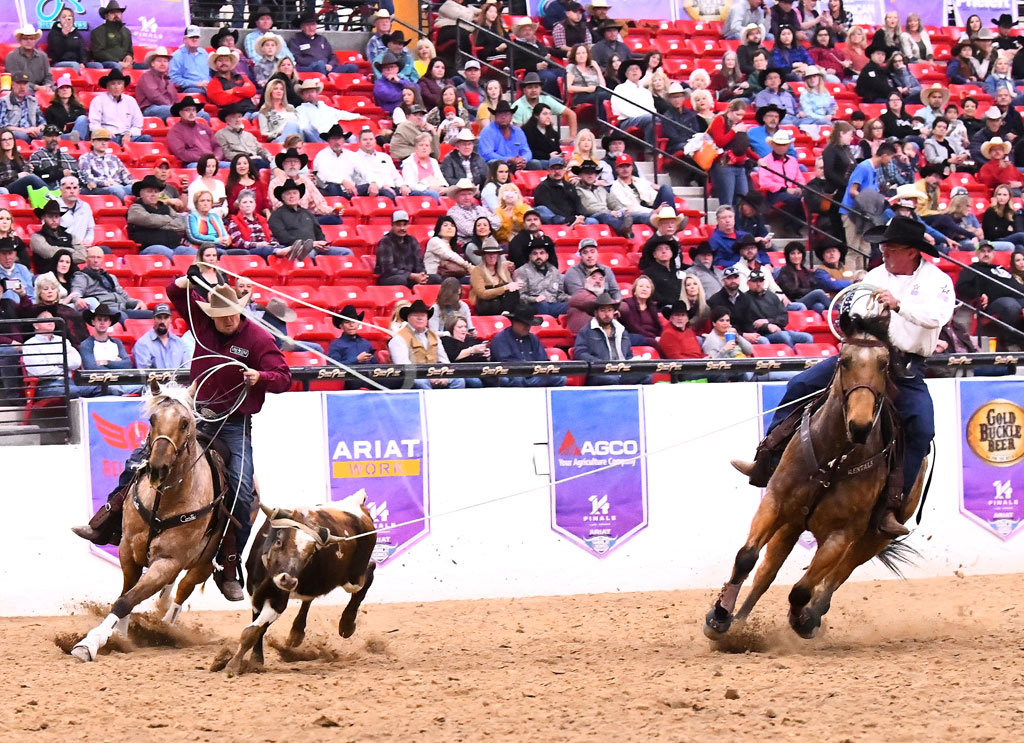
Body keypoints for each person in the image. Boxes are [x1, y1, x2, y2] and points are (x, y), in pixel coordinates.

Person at [733, 216, 954, 538]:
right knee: (801, 384)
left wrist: (900, 305)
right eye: (884, 248)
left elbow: (938, 316)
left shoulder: (937, 281)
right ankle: (768, 458)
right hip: (865, 354)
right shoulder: (876, 275)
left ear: (911, 251)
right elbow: (857, 315)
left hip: (905, 363)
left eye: (890, 248)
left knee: (921, 427)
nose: (885, 253)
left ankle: (892, 505)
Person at [955, 241, 1024, 349]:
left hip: (1019, 297)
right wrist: (979, 294)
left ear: (993, 254)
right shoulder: (972, 268)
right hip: (995, 302)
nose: (986, 254)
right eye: (983, 251)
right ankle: (1011, 343)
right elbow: (961, 287)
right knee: (1011, 306)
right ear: (977, 254)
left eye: (989, 251)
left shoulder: (999, 268)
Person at [573, 292, 652, 385]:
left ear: (614, 312)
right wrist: (600, 364)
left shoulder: (621, 330)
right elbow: (579, 353)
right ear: (595, 313)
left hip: (622, 372)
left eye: (610, 310)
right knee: (611, 379)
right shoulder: (586, 331)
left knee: (646, 375)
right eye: (603, 310)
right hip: (599, 372)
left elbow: (628, 355)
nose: (607, 314)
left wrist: (633, 362)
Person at [386, 299, 467, 389]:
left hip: (435, 374)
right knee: (421, 383)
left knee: (459, 380)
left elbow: (444, 361)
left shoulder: (434, 337)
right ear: (408, 318)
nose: (420, 318)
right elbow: (404, 366)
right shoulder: (399, 338)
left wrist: (443, 375)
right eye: (416, 315)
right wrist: (428, 376)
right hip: (412, 377)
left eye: (423, 315)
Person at [841, 141, 897, 265]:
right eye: (891, 158)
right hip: (852, 211)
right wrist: (868, 201)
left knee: (865, 249)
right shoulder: (864, 167)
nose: (890, 161)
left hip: (865, 214)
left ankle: (862, 278)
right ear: (884, 155)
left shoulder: (874, 170)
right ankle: (851, 280)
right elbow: (853, 190)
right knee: (854, 249)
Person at [22, 308, 98, 398]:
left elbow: (76, 362)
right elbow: (39, 371)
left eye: (52, 318)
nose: (50, 321)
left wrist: (51, 361)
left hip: (69, 382)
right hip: (46, 385)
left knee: (104, 388)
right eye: (45, 318)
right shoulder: (30, 344)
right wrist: (64, 363)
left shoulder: (63, 341)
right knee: (73, 391)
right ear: (36, 325)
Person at [488, 303, 567, 387]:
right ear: (514, 322)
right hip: (511, 374)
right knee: (514, 379)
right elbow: (506, 364)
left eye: (529, 324)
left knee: (560, 378)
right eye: (524, 324)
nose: (528, 327)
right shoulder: (500, 339)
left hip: (534, 374)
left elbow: (543, 360)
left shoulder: (533, 338)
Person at [267, 148, 344, 226]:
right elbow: (278, 206)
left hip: (306, 217)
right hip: (287, 220)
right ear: (283, 165)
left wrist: (332, 211)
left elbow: (318, 203)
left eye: (296, 161)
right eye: (289, 161)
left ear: (300, 166)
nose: (292, 164)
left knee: (335, 219)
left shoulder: (306, 181)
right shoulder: (275, 183)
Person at [72, 246, 150, 318]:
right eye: (92, 257)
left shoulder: (111, 277)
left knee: (152, 315)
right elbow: (76, 292)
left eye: (99, 257)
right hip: (104, 309)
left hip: (122, 307)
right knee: (121, 316)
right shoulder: (81, 276)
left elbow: (124, 296)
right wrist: (77, 299)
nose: (96, 260)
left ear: (103, 260)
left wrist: (138, 302)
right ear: (87, 259)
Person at [267, 179, 337, 258]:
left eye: (295, 193)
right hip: (294, 250)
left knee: (345, 252)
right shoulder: (276, 216)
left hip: (317, 247)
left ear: (299, 196)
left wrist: (323, 243)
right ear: (282, 197)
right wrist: (310, 244)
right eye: (288, 194)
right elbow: (284, 238)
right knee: (309, 254)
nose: (292, 196)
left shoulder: (307, 213)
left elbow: (318, 232)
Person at [126, 175, 193, 257]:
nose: (153, 194)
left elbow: (180, 224)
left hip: (174, 246)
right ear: (141, 194)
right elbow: (149, 220)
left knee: (192, 253)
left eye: (156, 191)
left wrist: (158, 224)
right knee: (167, 253)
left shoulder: (165, 207)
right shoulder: (135, 208)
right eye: (149, 191)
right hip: (150, 248)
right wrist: (169, 219)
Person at [756, 129, 805, 234]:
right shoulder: (766, 161)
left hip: (792, 191)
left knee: (804, 197)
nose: (781, 147)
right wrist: (786, 189)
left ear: (788, 146)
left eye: (784, 145)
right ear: (773, 145)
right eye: (779, 144)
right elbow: (765, 183)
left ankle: (795, 226)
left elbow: (799, 178)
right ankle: (791, 227)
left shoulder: (792, 161)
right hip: (774, 194)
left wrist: (799, 188)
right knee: (793, 199)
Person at [610, 154, 677, 225]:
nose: (625, 169)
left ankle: (672, 219)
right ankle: (671, 221)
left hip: (653, 207)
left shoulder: (640, 181)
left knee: (665, 188)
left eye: (627, 166)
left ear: (632, 167)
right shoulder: (615, 187)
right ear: (616, 169)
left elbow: (653, 197)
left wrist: (661, 208)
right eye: (621, 167)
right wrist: (653, 211)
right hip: (637, 213)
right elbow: (631, 208)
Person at [79, 303, 133, 391]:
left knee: (145, 387)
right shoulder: (86, 344)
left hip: (121, 382)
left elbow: (127, 364)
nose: (102, 322)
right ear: (93, 322)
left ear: (110, 323)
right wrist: (116, 364)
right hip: (98, 385)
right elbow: (92, 368)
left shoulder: (117, 342)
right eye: (99, 319)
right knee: (113, 389)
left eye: (105, 320)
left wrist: (105, 362)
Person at [88, 68, 148, 145]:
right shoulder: (98, 101)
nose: (116, 87)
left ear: (123, 86)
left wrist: (129, 134)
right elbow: (94, 124)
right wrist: (104, 133)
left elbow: (138, 124)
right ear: (108, 86)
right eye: (113, 84)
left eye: (119, 83)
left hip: (127, 136)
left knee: (146, 138)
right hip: (108, 137)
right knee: (104, 142)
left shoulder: (131, 101)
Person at [775, 242, 838, 312]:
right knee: (818, 293)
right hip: (794, 301)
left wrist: (823, 293)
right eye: (793, 253)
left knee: (819, 306)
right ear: (788, 256)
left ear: (802, 255)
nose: (796, 256)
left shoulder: (806, 271)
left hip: (807, 299)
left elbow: (815, 285)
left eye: (799, 253)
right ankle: (836, 313)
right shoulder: (785, 271)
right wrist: (813, 292)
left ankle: (827, 321)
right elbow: (792, 291)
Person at [351, 127, 408, 202]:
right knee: (388, 195)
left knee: (417, 195)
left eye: (371, 139)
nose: (368, 142)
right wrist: (383, 186)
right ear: (359, 142)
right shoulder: (354, 158)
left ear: (375, 141)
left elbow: (396, 176)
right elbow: (364, 176)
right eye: (365, 140)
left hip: (393, 188)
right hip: (373, 190)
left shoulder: (385, 157)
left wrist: (402, 185)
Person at [227, 189, 286, 258]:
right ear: (239, 206)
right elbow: (238, 243)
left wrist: (273, 243)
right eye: (244, 202)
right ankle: (281, 251)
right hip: (249, 251)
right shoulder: (233, 221)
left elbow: (271, 237)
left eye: (251, 202)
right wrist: (258, 245)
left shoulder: (262, 220)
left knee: (281, 246)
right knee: (266, 249)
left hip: (267, 247)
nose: (248, 205)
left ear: (255, 205)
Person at [167, 98, 224, 169]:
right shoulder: (175, 131)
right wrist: (202, 160)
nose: (191, 113)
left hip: (212, 161)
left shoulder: (204, 127)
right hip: (194, 162)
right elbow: (181, 153)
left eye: (194, 110)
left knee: (232, 166)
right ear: (180, 113)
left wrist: (217, 157)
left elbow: (217, 146)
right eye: (187, 110)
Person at [514, 242, 569, 316]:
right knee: (542, 305)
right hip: (533, 306)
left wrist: (573, 299)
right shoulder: (522, 271)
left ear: (547, 256)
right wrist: (535, 299)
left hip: (553, 305)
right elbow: (520, 296)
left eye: (541, 253)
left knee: (571, 305)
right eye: (535, 253)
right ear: (530, 256)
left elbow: (560, 294)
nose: (538, 256)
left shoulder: (554, 271)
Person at [132, 303, 191, 370]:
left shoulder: (180, 343)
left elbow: (187, 370)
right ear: (154, 319)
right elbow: (144, 374)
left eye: (166, 318)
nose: (162, 321)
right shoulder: (143, 344)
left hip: (178, 380)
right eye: (159, 318)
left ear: (171, 319)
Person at [533, 158, 590, 225]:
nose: (557, 171)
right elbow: (549, 207)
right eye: (554, 169)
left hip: (573, 218)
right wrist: (568, 219)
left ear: (565, 169)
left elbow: (577, 203)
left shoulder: (570, 186)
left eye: (560, 168)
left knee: (592, 221)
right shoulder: (542, 187)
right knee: (541, 209)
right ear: (548, 170)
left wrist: (581, 216)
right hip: (558, 220)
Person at [29, 199, 83, 271]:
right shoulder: (36, 237)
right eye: (50, 216)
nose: (54, 220)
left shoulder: (70, 236)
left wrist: (60, 253)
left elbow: (82, 256)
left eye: (56, 216)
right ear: (43, 217)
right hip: (48, 275)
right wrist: (70, 251)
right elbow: (48, 252)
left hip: (72, 275)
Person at [217, 105, 272, 172]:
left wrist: (268, 156)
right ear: (227, 120)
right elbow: (227, 153)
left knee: (276, 163)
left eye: (239, 117)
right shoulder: (221, 134)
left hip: (257, 160)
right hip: (240, 162)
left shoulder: (249, 135)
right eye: (233, 117)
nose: (237, 120)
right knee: (255, 163)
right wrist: (246, 158)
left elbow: (259, 149)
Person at [478, 100, 533, 168]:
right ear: (495, 116)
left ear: (511, 116)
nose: (503, 117)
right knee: (494, 163)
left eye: (506, 114)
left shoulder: (518, 131)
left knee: (535, 163)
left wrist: (523, 160)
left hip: (516, 163)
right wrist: (508, 160)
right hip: (497, 166)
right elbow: (487, 154)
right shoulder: (487, 131)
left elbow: (526, 150)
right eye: (500, 113)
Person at [206, 47, 258, 116]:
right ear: (215, 64)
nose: (224, 63)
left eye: (226, 60)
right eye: (220, 60)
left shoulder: (242, 77)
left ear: (231, 63)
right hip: (233, 116)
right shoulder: (213, 83)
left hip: (251, 111)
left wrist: (234, 91)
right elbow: (221, 100)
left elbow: (252, 91)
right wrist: (244, 93)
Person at [134, 47, 179, 121]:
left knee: (201, 113)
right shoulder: (147, 76)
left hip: (168, 108)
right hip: (150, 109)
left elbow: (176, 99)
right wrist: (176, 108)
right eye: (159, 61)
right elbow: (154, 96)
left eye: (165, 61)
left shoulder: (168, 79)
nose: (162, 63)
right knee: (177, 111)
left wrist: (182, 107)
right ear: (152, 63)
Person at [618, 275, 662, 350]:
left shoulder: (652, 307)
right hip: (637, 337)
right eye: (641, 286)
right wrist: (653, 338)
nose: (644, 289)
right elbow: (633, 327)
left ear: (651, 292)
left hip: (652, 337)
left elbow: (658, 327)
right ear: (634, 291)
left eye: (647, 287)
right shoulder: (627, 304)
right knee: (653, 342)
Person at [288, 9, 337, 75]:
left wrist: (330, 65)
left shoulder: (322, 39)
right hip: (308, 68)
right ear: (302, 27)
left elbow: (332, 56)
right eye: (308, 25)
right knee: (320, 65)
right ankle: (325, 82)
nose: (311, 28)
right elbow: (296, 57)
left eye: (313, 25)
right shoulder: (296, 39)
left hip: (327, 68)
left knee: (351, 67)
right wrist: (318, 63)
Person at [90, 1, 135, 71]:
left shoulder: (127, 31)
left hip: (125, 63)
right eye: (112, 13)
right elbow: (98, 52)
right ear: (106, 16)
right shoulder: (98, 31)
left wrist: (129, 57)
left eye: (118, 12)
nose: (116, 15)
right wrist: (117, 62)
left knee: (144, 66)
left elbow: (130, 51)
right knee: (116, 66)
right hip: (107, 62)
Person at [45, 74, 90, 142]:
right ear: (57, 91)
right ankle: (74, 139)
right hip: (61, 136)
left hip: (82, 137)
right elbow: (50, 128)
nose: (65, 90)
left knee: (82, 118)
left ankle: (76, 139)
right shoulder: (51, 109)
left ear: (71, 90)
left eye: (67, 87)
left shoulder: (79, 108)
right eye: (62, 87)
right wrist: (62, 129)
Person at [6, 25, 52, 92]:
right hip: (22, 87)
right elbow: (16, 78)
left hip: (42, 86)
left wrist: (47, 86)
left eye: (32, 39)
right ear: (20, 41)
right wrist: (36, 87)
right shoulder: (12, 56)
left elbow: (48, 76)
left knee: (58, 91)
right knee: (26, 90)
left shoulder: (43, 56)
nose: (28, 41)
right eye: (25, 38)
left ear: (35, 40)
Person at [258, 78, 301, 144]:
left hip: (297, 137)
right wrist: (278, 132)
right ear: (270, 91)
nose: (279, 91)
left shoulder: (290, 108)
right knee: (290, 124)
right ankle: (283, 148)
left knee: (308, 128)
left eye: (281, 89)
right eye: (275, 89)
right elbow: (264, 134)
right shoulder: (264, 111)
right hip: (278, 138)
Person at [46, 7, 89, 74]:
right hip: (59, 62)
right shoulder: (54, 33)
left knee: (96, 65)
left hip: (76, 61)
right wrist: (64, 35)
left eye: (70, 17)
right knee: (75, 65)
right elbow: (57, 52)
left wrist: (83, 62)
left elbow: (82, 50)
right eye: (64, 17)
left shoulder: (76, 33)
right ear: (59, 19)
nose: (67, 19)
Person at [169, 26, 209, 95]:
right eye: (191, 37)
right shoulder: (177, 55)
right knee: (197, 92)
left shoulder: (204, 53)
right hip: (189, 88)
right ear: (184, 39)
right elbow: (174, 79)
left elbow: (211, 73)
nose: (194, 39)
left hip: (208, 86)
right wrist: (196, 84)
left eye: (197, 37)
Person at [522, 104, 563, 169]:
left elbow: (557, 149)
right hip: (536, 160)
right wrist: (548, 156)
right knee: (536, 163)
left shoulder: (554, 133)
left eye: (550, 114)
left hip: (552, 160)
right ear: (536, 115)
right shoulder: (527, 131)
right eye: (545, 114)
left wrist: (560, 154)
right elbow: (530, 151)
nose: (548, 117)